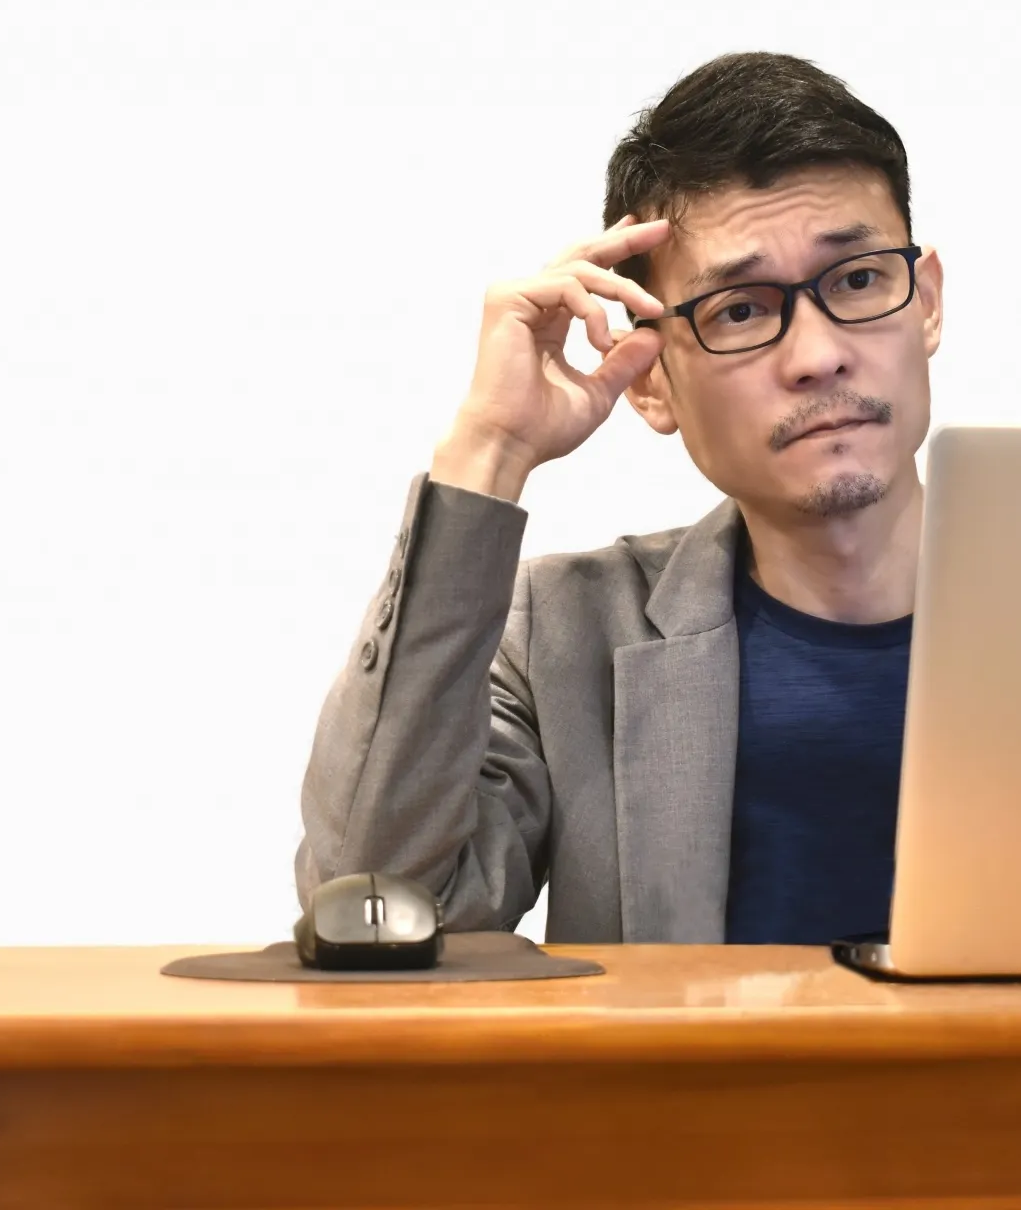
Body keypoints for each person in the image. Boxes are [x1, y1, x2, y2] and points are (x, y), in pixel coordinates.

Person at [294, 51, 944, 945]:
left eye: (859, 279)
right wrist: (490, 448)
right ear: (650, 382)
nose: (819, 355)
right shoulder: (567, 633)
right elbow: (374, 904)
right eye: (741, 310)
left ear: (927, 302)